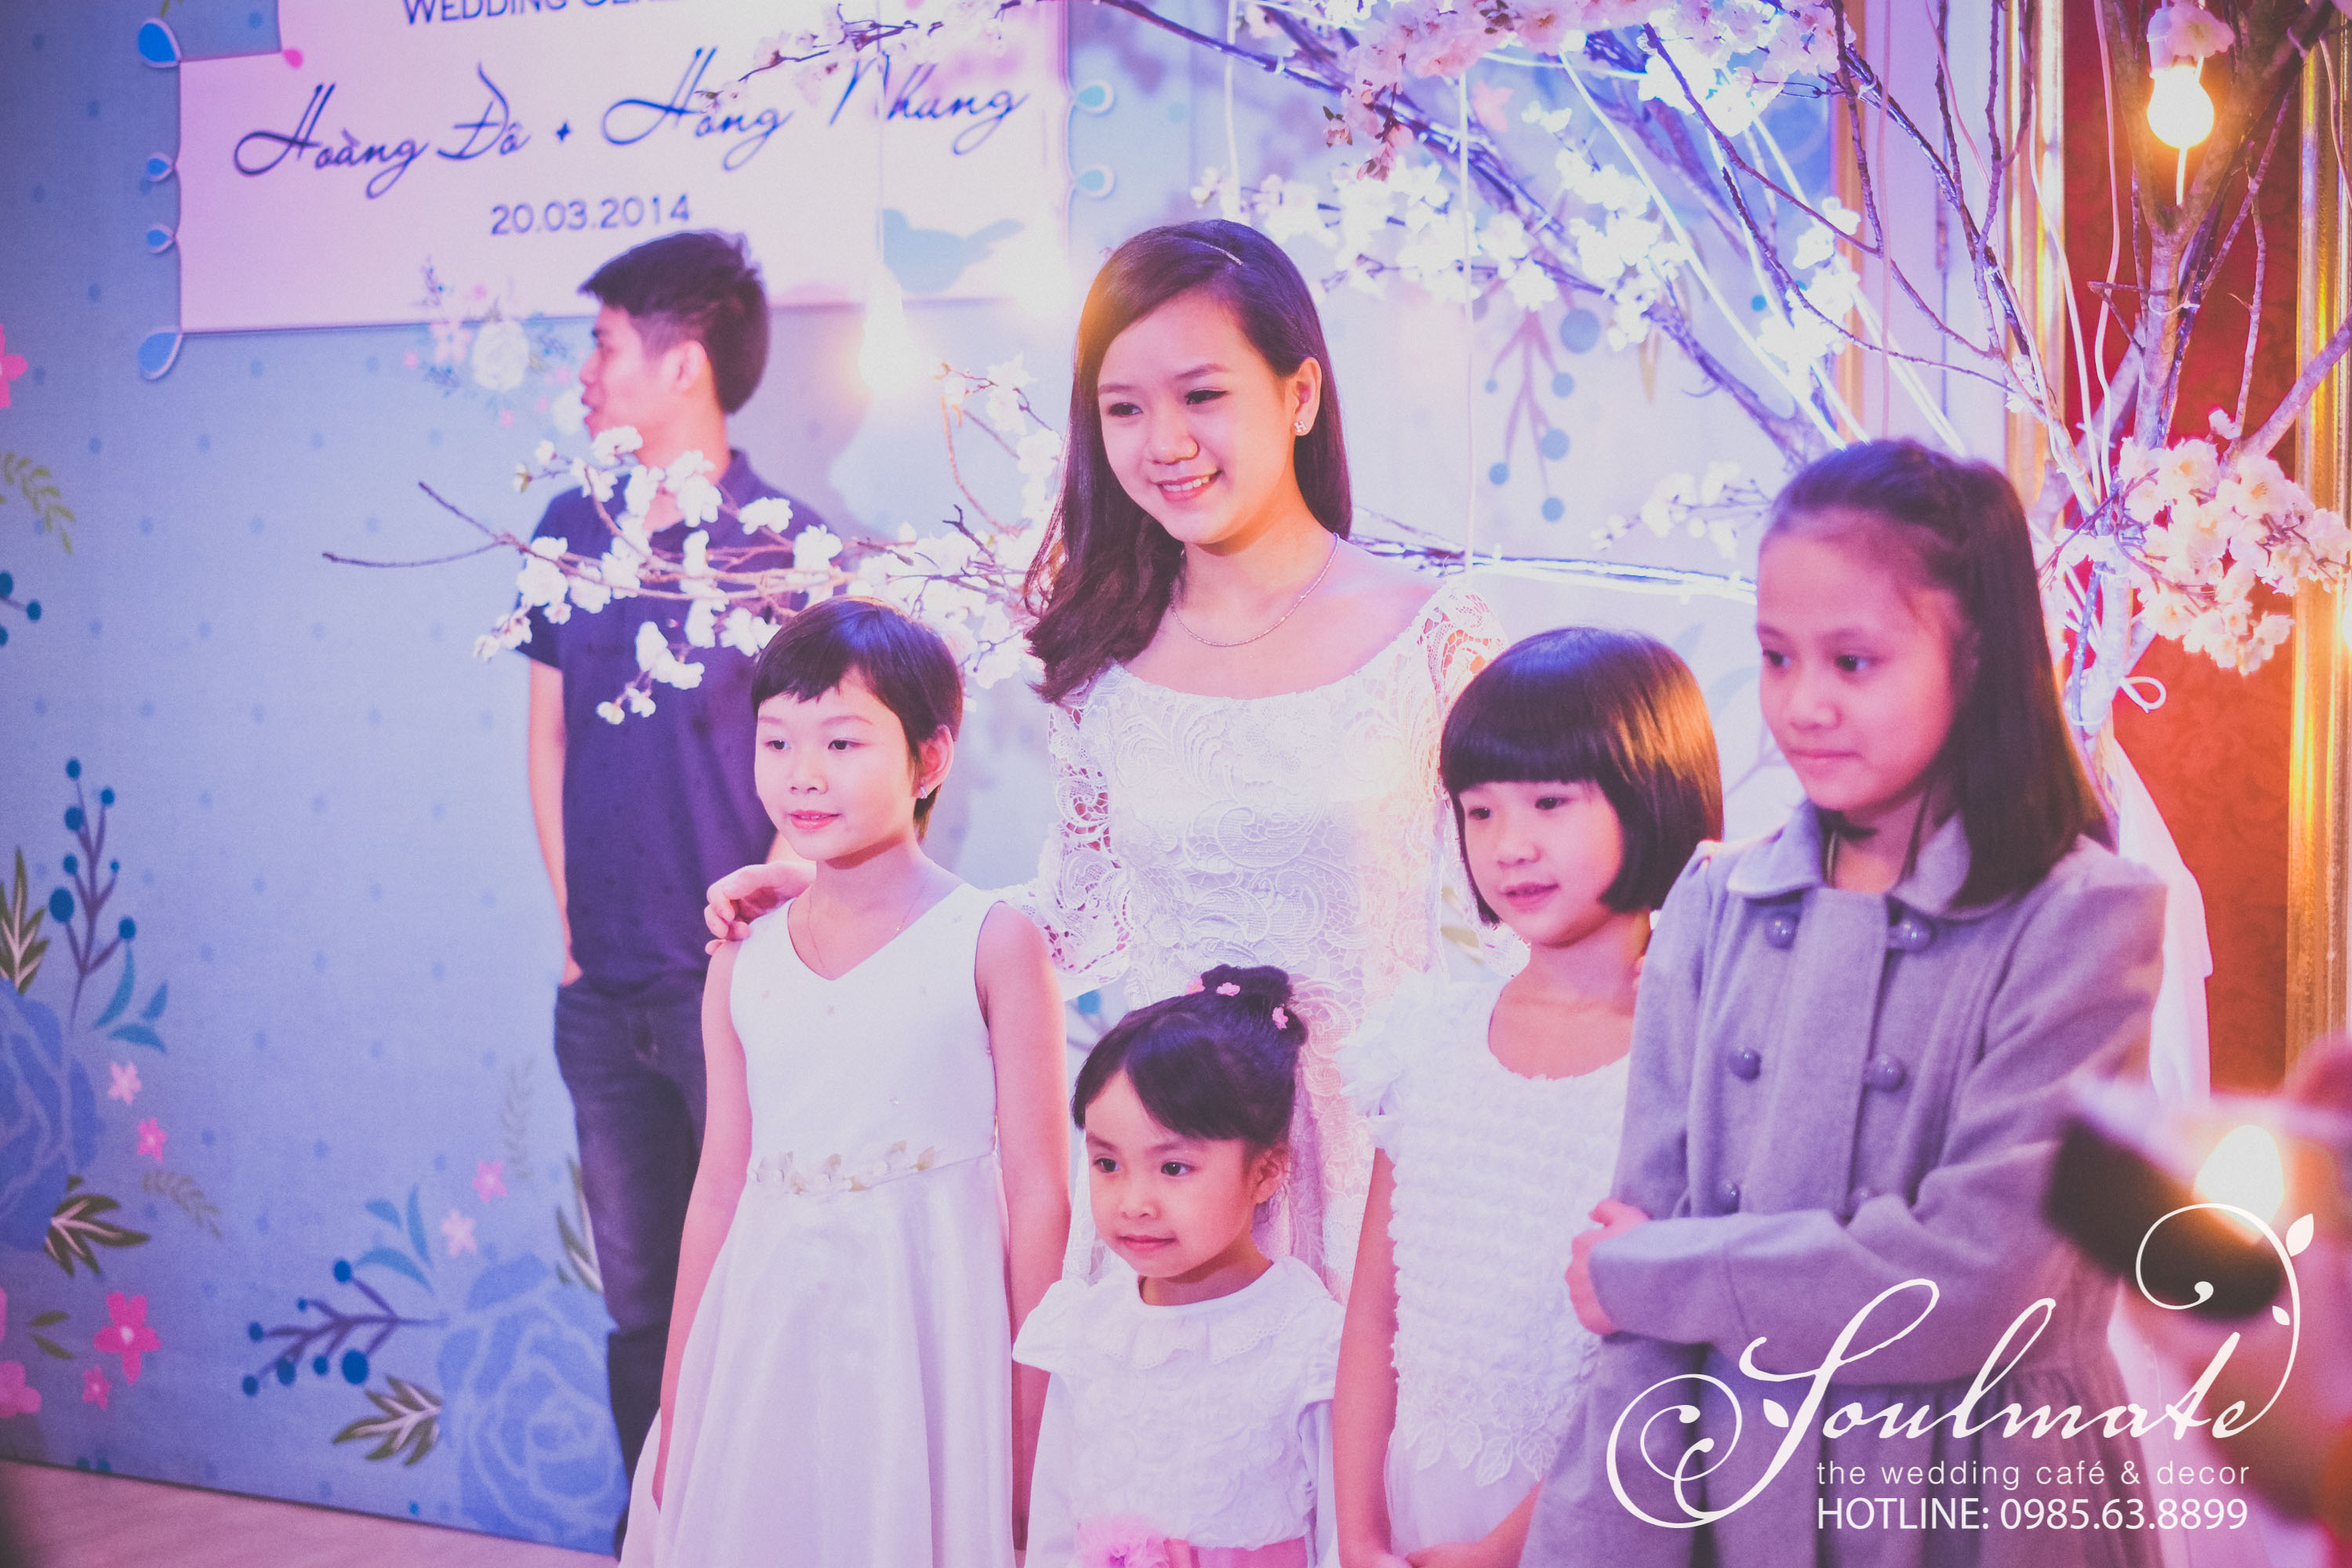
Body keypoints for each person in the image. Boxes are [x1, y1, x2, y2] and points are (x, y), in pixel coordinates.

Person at [708, 219, 1506, 1295]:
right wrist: (852, 897)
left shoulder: (1435, 638)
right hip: (1167, 1186)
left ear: (1301, 396)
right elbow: (1074, 925)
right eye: (1124, 408)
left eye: (1202, 394)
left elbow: (1515, 926)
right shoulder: (1105, 664)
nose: (1163, 441)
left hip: (1379, 1176)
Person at [1526, 440, 2167, 1566]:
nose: (1803, 704)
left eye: (1854, 661)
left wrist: (1660, 1274)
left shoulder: (2082, 920)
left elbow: (1972, 1280)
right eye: (1777, 657)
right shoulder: (1717, 902)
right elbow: (1641, 1295)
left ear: (1976, 655)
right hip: (1740, 1485)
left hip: (1983, 1491)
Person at [620, 596, 1069, 1566]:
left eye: (842, 741)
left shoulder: (994, 942)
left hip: (930, 1330)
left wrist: (1032, 1408)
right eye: (776, 740)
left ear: (930, 757)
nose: (803, 774)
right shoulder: (742, 956)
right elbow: (719, 1181)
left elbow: (1040, 1191)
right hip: (767, 1329)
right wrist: (681, 1390)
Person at [520, 230, 823, 1501]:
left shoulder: (784, 547)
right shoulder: (568, 526)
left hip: (730, 998)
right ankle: (652, 1528)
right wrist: (573, 933)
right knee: (641, 1299)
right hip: (602, 999)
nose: (585, 372)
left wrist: (760, 943)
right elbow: (545, 740)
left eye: (603, 345)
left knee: (759, 1282)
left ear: (683, 361)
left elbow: (827, 775)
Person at [1334, 629, 1723, 1567]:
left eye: (1551, 801)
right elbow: (1375, 1315)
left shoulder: (1692, 1052)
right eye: (1480, 811)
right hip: (1415, 1507)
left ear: (1652, 791)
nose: (1511, 846)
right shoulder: (1426, 1034)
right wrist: (1361, 1536)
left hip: (1591, 1514)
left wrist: (1506, 1549)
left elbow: (1666, 1363)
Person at [1018, 964, 1345, 1566]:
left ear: (1267, 1171)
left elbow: (1343, 1540)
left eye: (1173, 1168)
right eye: (1108, 1164)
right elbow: (1054, 1532)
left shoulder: (1309, 1343)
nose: (1134, 1203)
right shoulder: (1085, 1330)